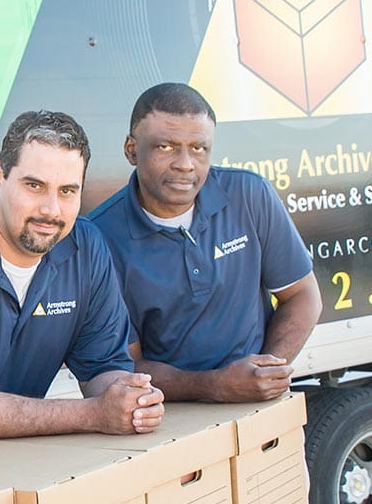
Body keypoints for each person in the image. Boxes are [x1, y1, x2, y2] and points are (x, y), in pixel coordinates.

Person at [0, 110, 164, 437]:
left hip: (25, 457)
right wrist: (93, 413)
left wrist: (130, 398)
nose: (51, 210)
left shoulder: (86, 245)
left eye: (67, 191)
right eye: (34, 186)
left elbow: (103, 368)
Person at [87, 83, 324, 402]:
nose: (185, 164)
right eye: (166, 147)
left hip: (259, 404)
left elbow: (302, 295)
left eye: (199, 148)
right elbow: (127, 364)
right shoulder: (99, 238)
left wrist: (266, 373)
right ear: (132, 150)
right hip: (166, 414)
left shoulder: (248, 195)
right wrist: (216, 385)